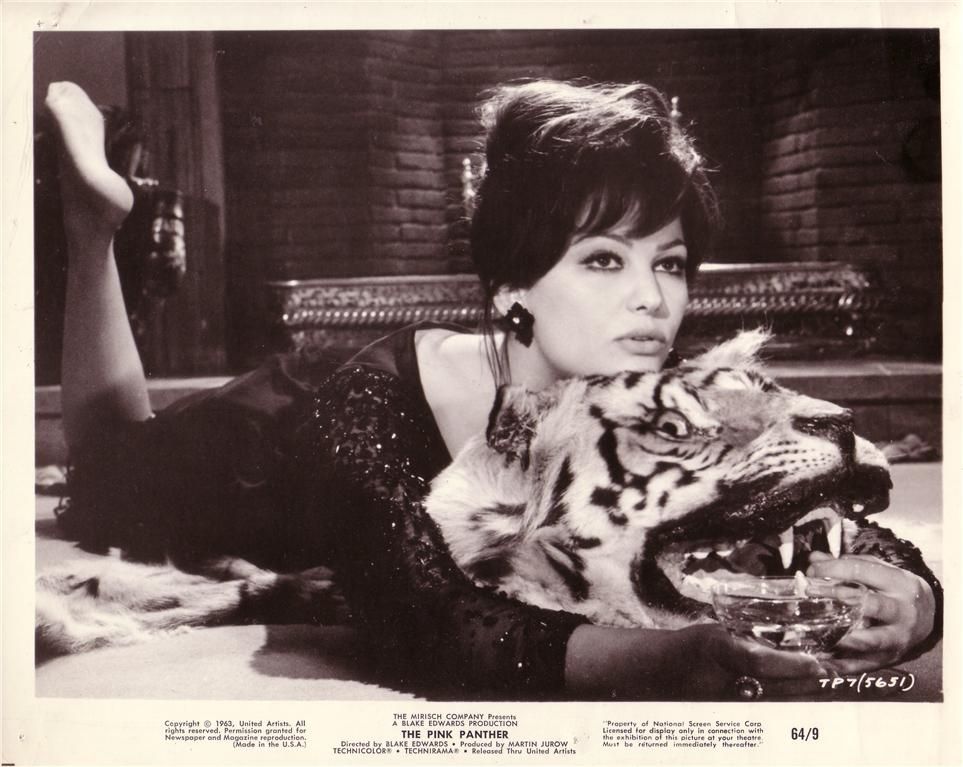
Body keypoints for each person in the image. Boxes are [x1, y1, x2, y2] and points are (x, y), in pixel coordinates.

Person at [45, 78, 939, 700]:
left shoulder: (654, 378)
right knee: (110, 473)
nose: (651, 298)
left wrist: (911, 596)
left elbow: (804, 494)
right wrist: (677, 659)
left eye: (668, 263)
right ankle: (92, 228)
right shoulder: (366, 411)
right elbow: (431, 624)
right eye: (603, 260)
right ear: (515, 285)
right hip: (270, 447)